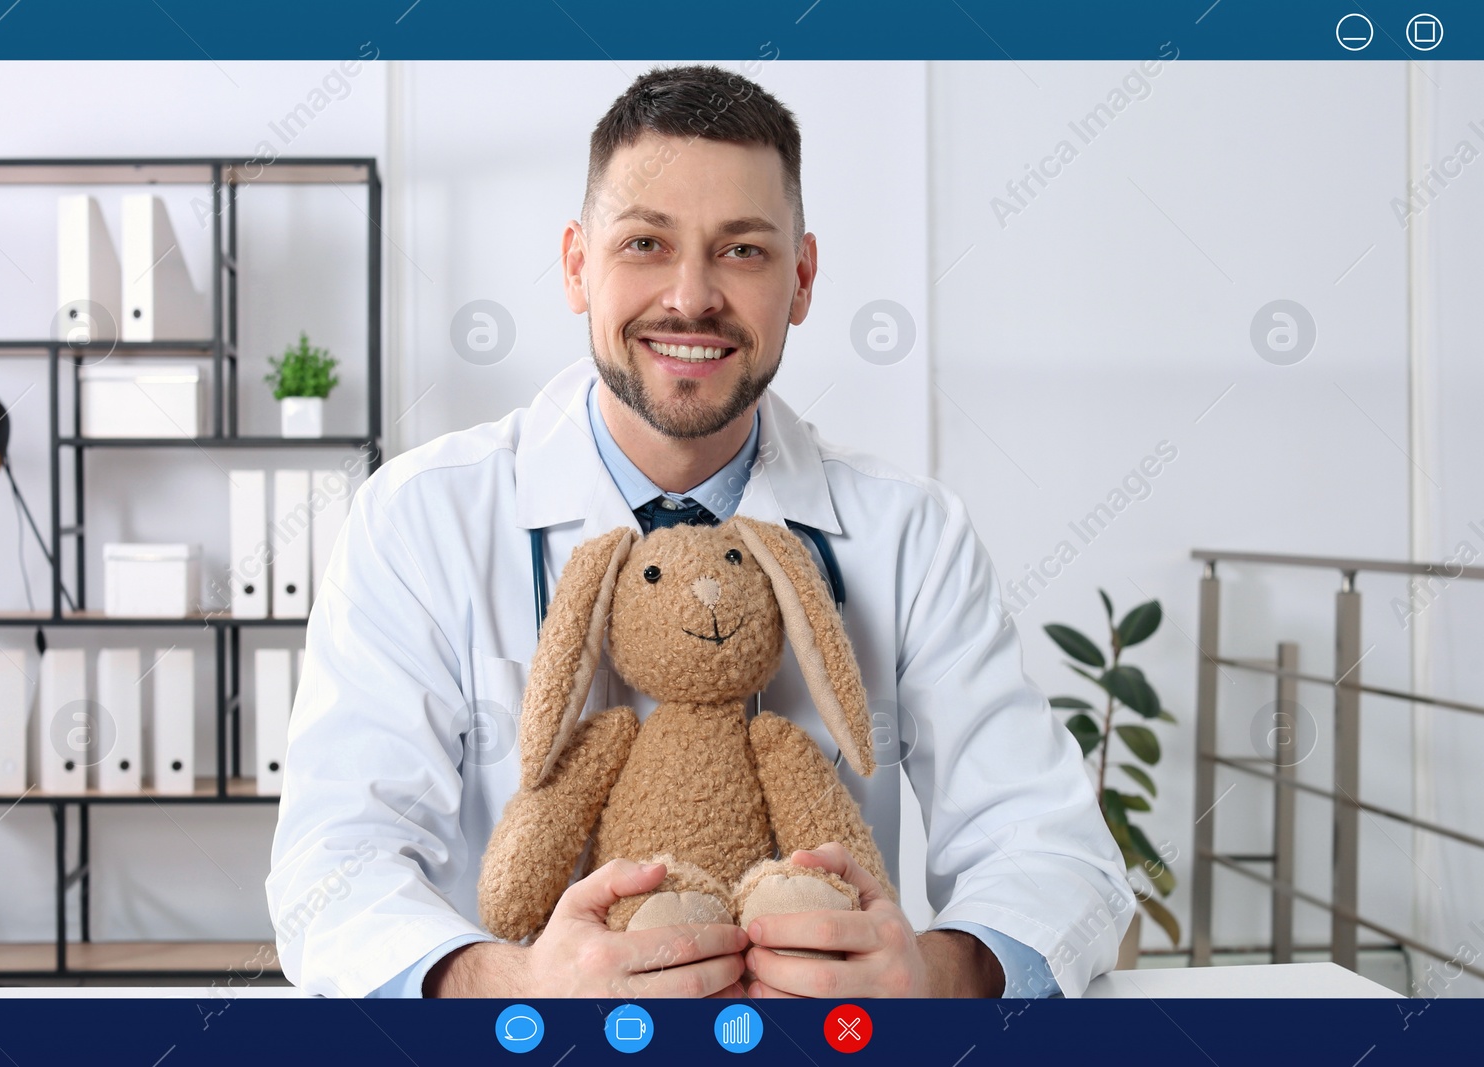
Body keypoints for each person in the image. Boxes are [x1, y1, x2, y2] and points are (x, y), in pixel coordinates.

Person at [267, 64, 1134, 1000]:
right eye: (645, 242)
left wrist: (935, 968)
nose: (690, 297)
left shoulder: (912, 533)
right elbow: (333, 865)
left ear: (800, 280)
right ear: (576, 266)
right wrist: (509, 983)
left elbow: (1056, 855)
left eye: (743, 251)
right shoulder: (418, 519)